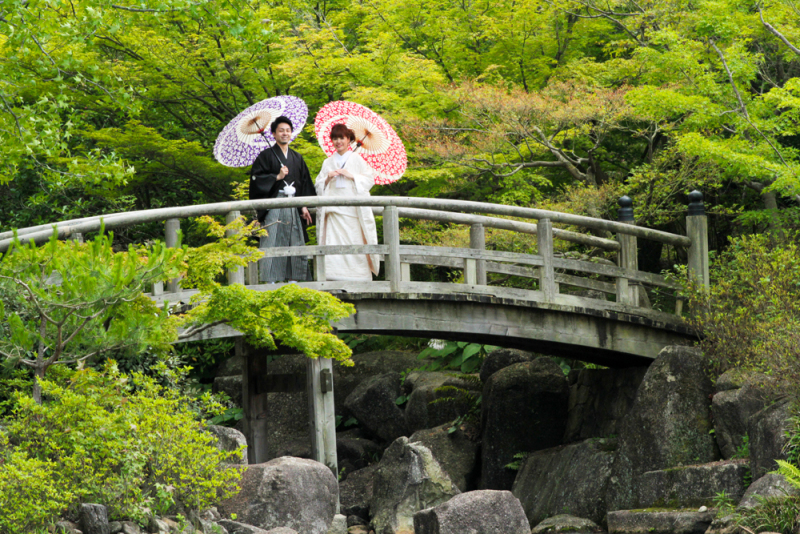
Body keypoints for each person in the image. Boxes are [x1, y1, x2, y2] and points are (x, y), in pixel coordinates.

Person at [250, 115, 315, 282]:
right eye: (281, 131)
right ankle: (271, 280)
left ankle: (295, 279)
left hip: (294, 204)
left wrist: (304, 205)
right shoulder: (264, 156)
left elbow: (305, 183)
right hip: (274, 205)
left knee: (294, 240)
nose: (285, 133)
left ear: (291, 133)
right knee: (272, 239)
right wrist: (276, 177)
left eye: (288, 130)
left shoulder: (297, 157)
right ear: (273, 134)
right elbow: (256, 181)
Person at [314, 123, 380, 281]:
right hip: (334, 212)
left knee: (355, 242)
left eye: (341, 138)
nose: (338, 142)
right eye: (335, 138)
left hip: (352, 212)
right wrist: (328, 177)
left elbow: (369, 180)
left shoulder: (357, 159)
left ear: (349, 139)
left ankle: (358, 278)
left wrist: (352, 176)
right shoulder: (328, 162)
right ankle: (332, 277)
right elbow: (318, 185)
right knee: (333, 245)